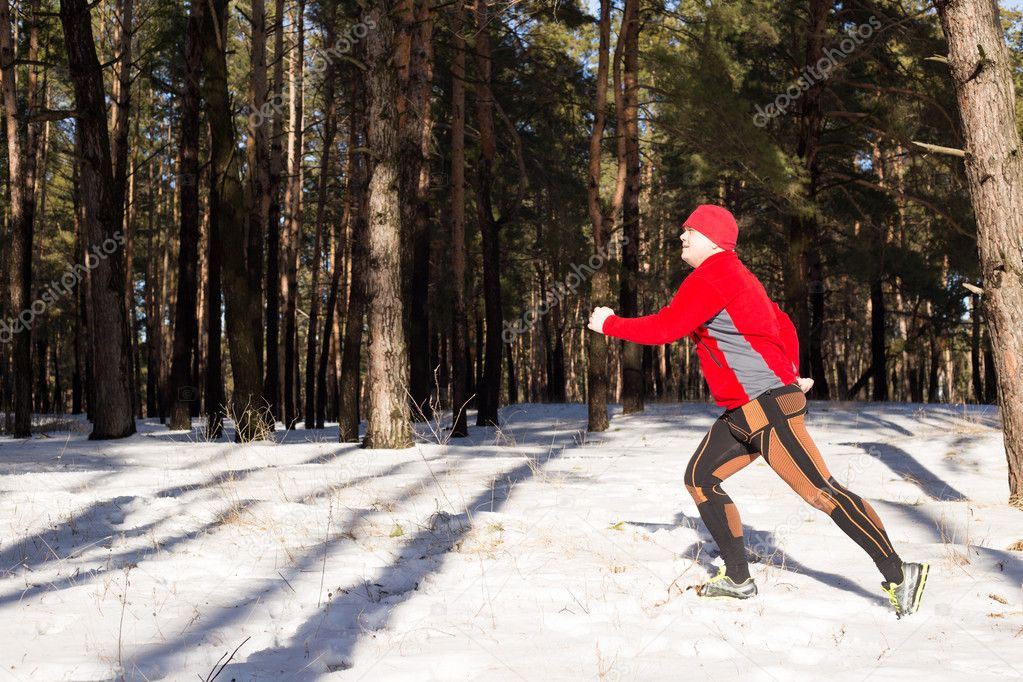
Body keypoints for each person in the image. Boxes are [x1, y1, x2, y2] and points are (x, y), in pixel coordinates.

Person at [586, 204, 928, 618]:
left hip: (765, 406)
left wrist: (610, 324)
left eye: (688, 231)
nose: (681, 236)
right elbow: (781, 323)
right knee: (700, 478)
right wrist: (792, 371)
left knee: (821, 491)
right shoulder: (738, 277)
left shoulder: (713, 274)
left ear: (711, 238)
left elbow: (666, 327)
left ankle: (899, 573)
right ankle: (737, 578)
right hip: (746, 410)